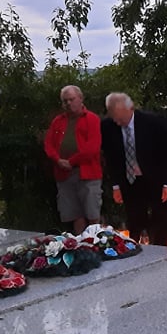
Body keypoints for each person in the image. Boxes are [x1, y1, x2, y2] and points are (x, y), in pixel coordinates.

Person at [101, 92, 167, 245]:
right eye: (114, 117)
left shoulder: (153, 122)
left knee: (161, 219)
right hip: (130, 180)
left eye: (121, 117)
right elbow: (111, 158)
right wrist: (116, 186)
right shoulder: (108, 126)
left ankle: (160, 251)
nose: (117, 121)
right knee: (134, 220)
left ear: (131, 109)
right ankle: (135, 249)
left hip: (156, 178)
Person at [43, 85, 102, 235]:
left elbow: (92, 147)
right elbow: (48, 144)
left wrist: (71, 161)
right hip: (64, 174)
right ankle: (79, 243)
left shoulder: (92, 119)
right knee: (75, 214)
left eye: (71, 99)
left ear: (80, 99)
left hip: (87, 173)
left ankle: (96, 242)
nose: (68, 103)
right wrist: (58, 160)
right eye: (65, 101)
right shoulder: (58, 121)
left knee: (92, 212)